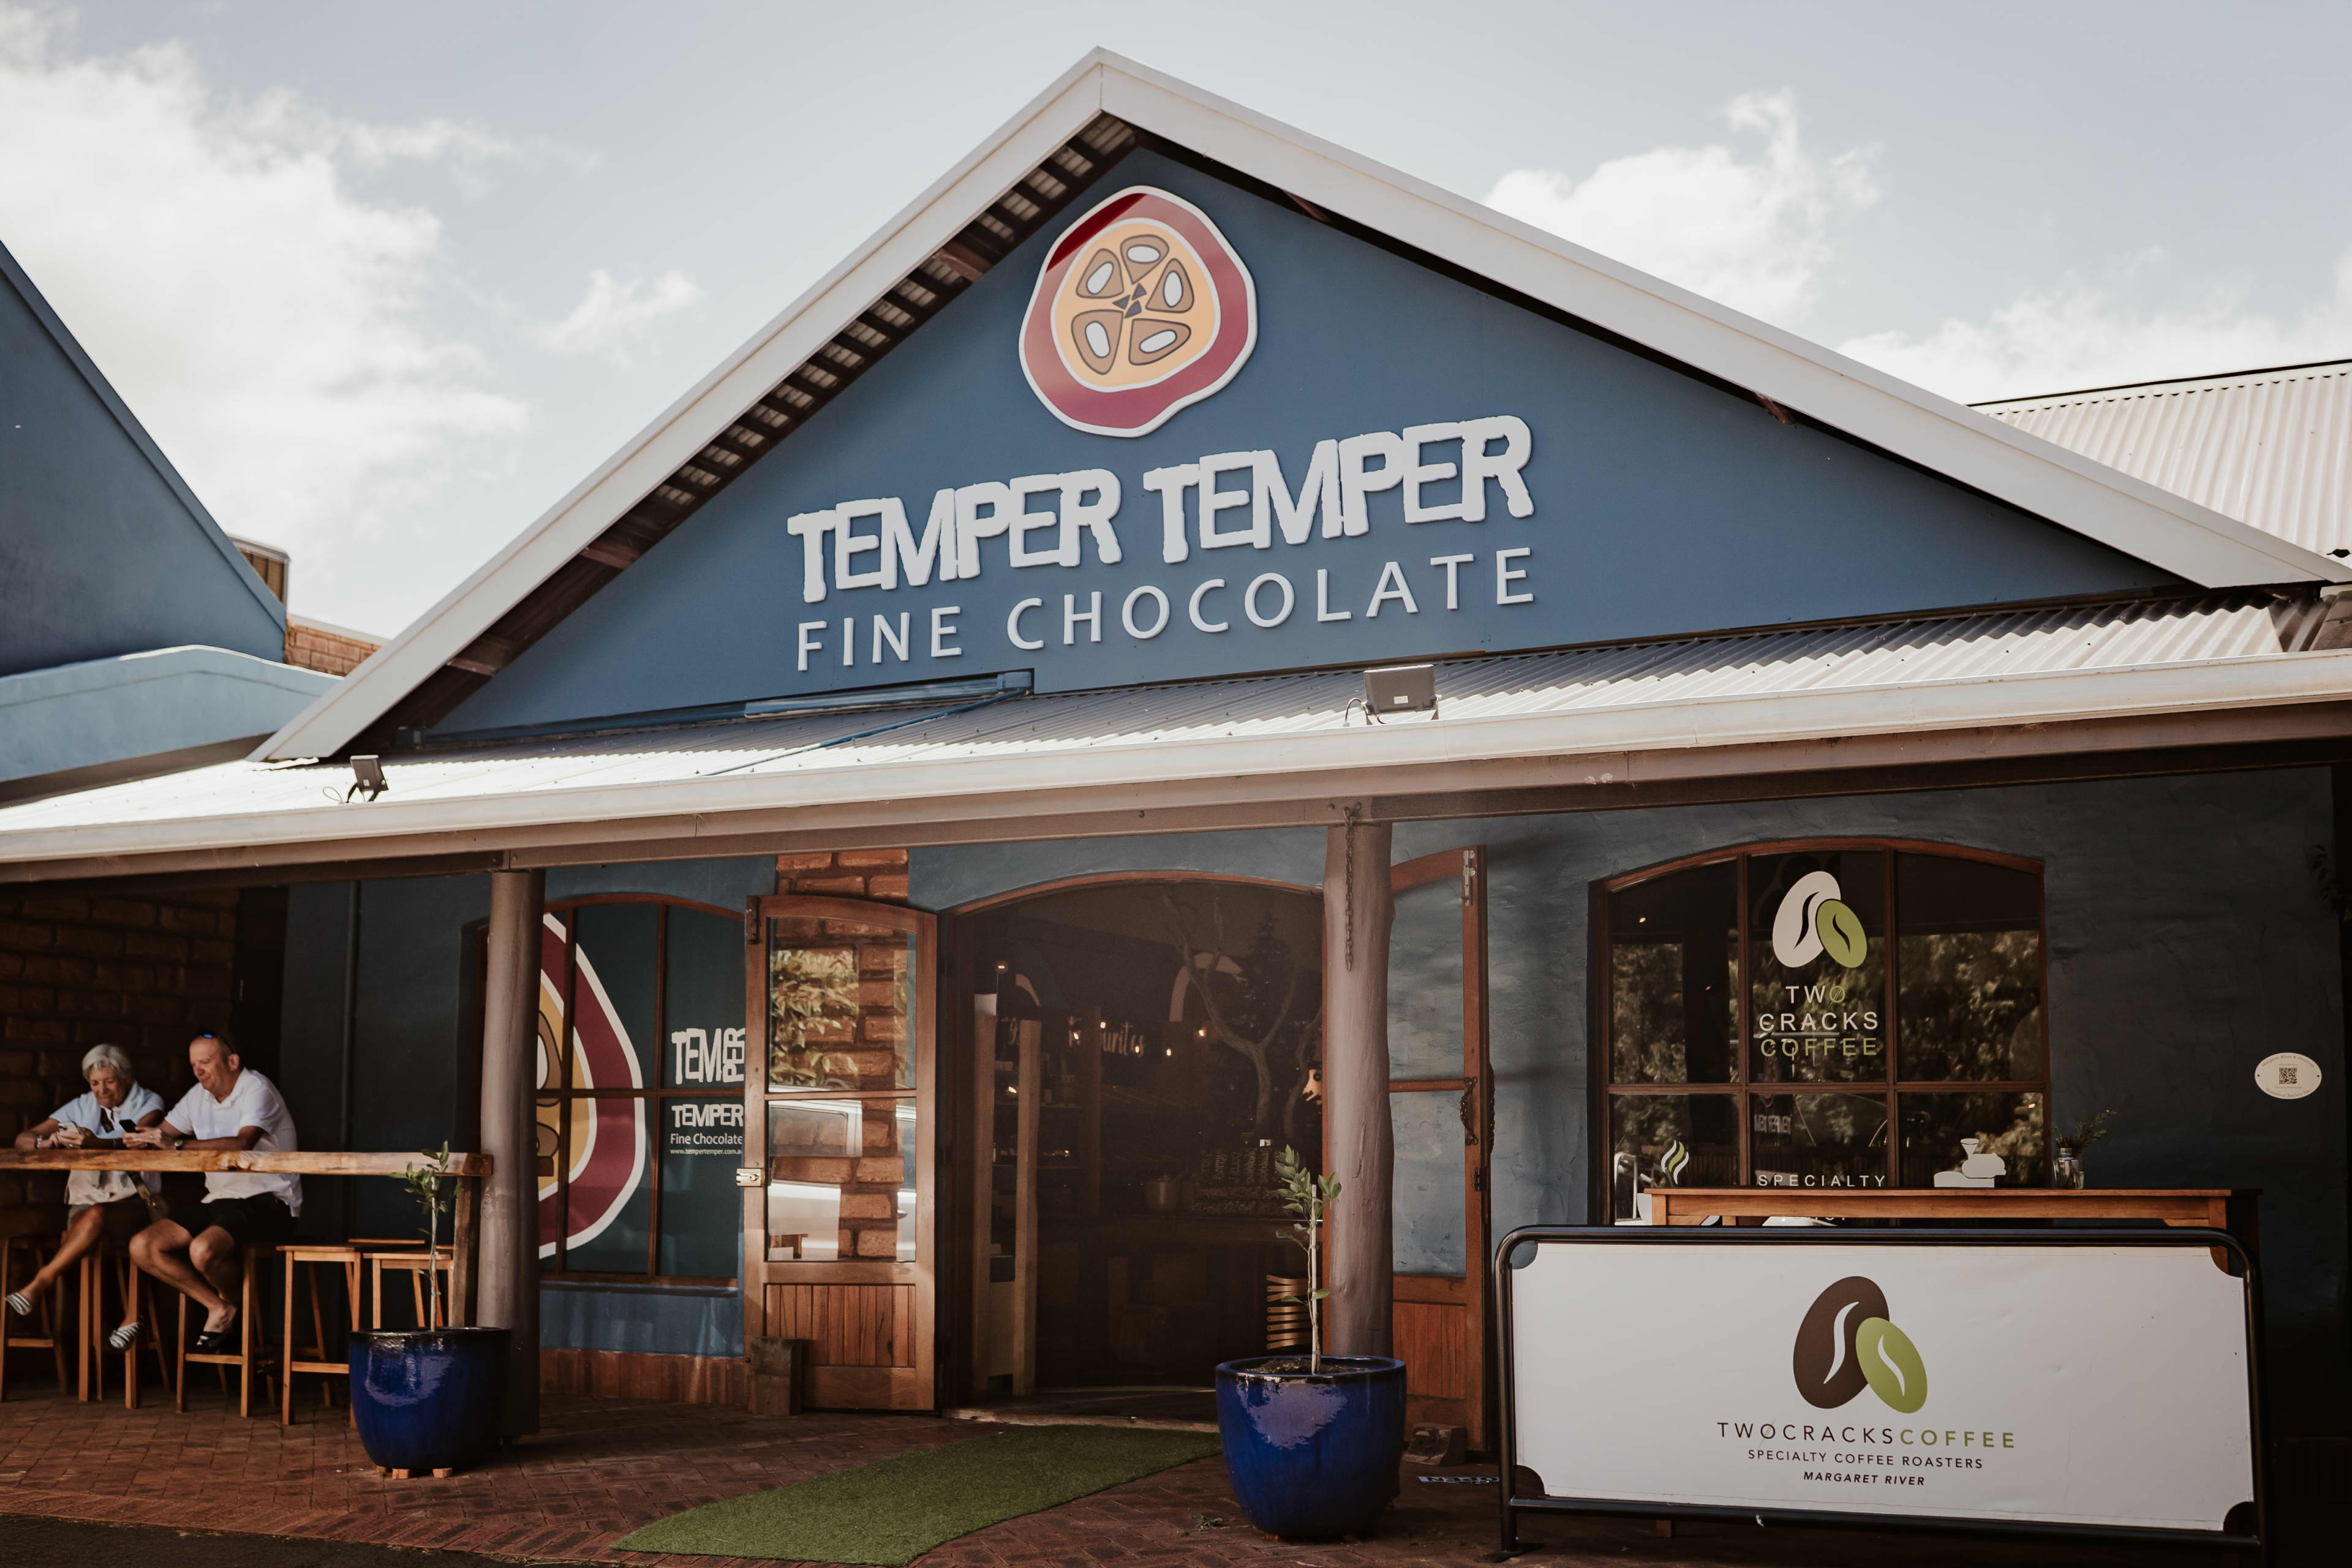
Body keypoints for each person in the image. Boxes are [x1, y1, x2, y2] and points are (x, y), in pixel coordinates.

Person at [123, 1031, 302, 1352]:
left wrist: (175, 1145)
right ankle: (220, 1308)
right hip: (220, 1200)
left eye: (205, 1062)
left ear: (232, 1062)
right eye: (193, 1065)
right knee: (143, 1245)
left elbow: (242, 1142)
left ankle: (234, 1304)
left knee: (202, 1250)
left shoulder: (256, 1089)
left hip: (270, 1202)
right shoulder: (198, 1096)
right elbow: (161, 1136)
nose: (198, 1071)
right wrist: (127, 1139)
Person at [5, 1044, 168, 1325]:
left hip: (132, 1202)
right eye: (95, 1083)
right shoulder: (81, 1105)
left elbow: (135, 1140)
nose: (102, 1090)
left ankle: (41, 1281)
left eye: (110, 1081)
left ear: (127, 1078)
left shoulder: (149, 1102)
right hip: (86, 1201)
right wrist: (47, 1143)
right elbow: (23, 1138)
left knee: (96, 1214)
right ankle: (126, 1318)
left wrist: (94, 1143)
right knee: (91, 1214)